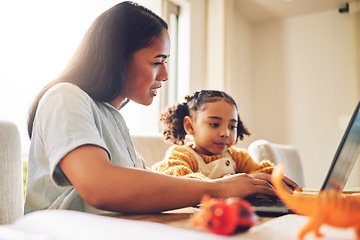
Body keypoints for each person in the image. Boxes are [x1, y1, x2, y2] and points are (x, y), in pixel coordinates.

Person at [25, 1, 299, 215]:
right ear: (116, 57)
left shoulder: (113, 118)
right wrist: (218, 188)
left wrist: (246, 186)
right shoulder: (64, 96)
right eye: (157, 61)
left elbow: (146, 186)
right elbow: (100, 186)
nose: (165, 75)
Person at [152, 90, 279, 180]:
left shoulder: (238, 157)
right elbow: (181, 183)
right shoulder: (181, 155)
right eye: (214, 124)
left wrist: (272, 177)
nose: (225, 133)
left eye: (232, 126)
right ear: (190, 126)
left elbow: (261, 173)